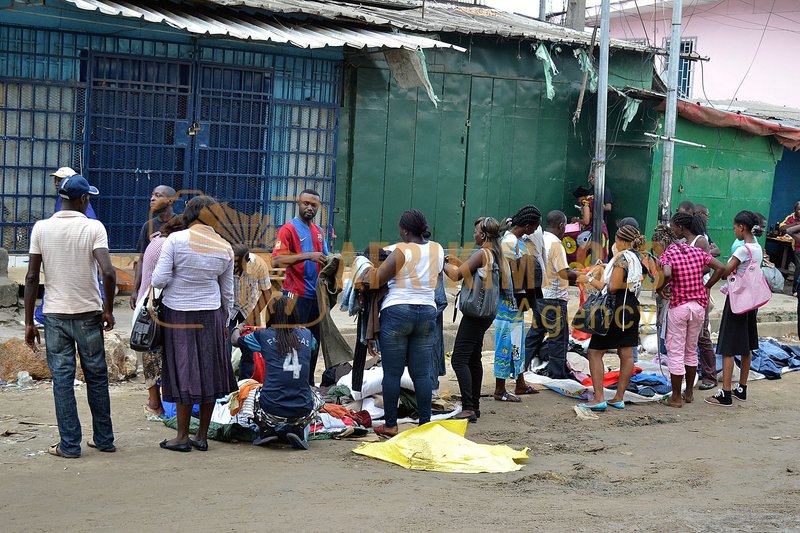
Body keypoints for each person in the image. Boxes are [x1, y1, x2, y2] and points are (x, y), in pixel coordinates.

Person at [23, 175, 117, 458]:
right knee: (97, 377)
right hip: (88, 313)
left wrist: (29, 322)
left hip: (54, 315)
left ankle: (69, 445)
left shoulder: (41, 228)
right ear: (84, 199)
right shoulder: (93, 227)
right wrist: (108, 309)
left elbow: (31, 277)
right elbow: (109, 272)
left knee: (62, 381)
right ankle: (103, 439)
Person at [151, 196, 237, 452]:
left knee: (182, 371)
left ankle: (181, 437)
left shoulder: (175, 240)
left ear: (189, 214)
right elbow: (228, 292)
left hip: (178, 314)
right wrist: (226, 319)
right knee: (209, 371)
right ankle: (201, 436)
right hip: (212, 314)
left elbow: (158, 279)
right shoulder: (224, 246)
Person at [369, 209, 443, 437]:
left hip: (397, 312)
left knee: (392, 373)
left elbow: (377, 279)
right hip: (427, 313)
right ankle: (425, 424)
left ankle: (391, 425)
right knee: (421, 374)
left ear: (404, 230)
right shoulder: (438, 249)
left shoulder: (400, 250)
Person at [231, 296, 321, 450]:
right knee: (316, 394)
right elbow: (312, 351)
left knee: (246, 389)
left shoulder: (263, 336)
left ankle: (266, 429)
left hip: (272, 408)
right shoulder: (307, 335)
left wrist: (238, 328)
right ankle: (298, 428)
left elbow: (235, 341)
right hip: (303, 408)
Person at [657, 213, 725, 407]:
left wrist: (661, 288)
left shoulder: (670, 252)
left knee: (676, 352)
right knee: (690, 351)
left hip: (679, 306)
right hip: (698, 307)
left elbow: (667, 272)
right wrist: (707, 286)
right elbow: (720, 267)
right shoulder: (696, 251)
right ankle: (688, 394)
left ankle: (676, 397)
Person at [444, 217, 508, 423]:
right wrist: (458, 263)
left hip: (475, 314)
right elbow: (476, 274)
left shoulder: (482, 253)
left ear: (483, 235)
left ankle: (468, 407)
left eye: (476, 232)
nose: (474, 235)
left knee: (459, 359)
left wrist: (439, 263)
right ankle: (475, 405)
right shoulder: (495, 254)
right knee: (473, 358)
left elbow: (456, 277)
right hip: (487, 313)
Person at [577, 224, 645, 411]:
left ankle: (599, 398)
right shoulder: (639, 258)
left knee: (595, 352)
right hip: (631, 306)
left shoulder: (622, 259)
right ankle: (618, 397)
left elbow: (612, 288)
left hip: (615, 309)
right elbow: (632, 281)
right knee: (626, 353)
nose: (614, 243)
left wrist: (589, 279)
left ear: (623, 241)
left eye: (616, 240)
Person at [704, 211, 765, 406]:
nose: (734, 231)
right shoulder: (757, 248)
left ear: (741, 227)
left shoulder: (742, 250)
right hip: (752, 301)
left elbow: (725, 272)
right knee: (746, 345)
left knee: (728, 346)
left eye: (734, 227)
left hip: (737, 301)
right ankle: (742, 388)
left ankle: (726, 393)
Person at [133, 215, 187, 419]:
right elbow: (162, 279)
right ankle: (156, 403)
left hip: (146, 305)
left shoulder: (156, 240)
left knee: (152, 356)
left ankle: (155, 402)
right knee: (155, 357)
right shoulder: (166, 245)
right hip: (154, 307)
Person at [272, 189, 328, 385]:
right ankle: (290, 384)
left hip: (316, 298)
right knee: (293, 343)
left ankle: (309, 384)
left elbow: (326, 260)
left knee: (314, 344)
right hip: (296, 296)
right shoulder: (288, 229)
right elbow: (277, 260)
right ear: (298, 203)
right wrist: (308, 255)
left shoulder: (319, 231)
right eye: (306, 203)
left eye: (314, 205)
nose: (309, 208)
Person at [526, 211, 588, 379]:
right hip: (554, 298)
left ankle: (519, 368)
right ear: (561, 225)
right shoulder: (556, 245)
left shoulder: (539, 240)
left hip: (539, 295)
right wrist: (585, 276)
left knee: (535, 334)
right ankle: (557, 374)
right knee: (558, 339)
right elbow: (564, 273)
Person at [34, 167, 98, 326]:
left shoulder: (76, 203)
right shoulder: (64, 200)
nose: (56, 182)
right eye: (55, 179)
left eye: (59, 179)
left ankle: (41, 317)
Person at [498, 205, 541, 401]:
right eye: (535, 226)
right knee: (506, 343)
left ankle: (520, 384)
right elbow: (507, 275)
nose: (535, 230)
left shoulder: (518, 240)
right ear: (527, 225)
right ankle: (500, 389)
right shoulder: (509, 242)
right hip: (508, 302)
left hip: (518, 299)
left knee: (518, 341)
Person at [130, 185, 177, 310]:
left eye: (158, 195)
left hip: (172, 289)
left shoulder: (180, 224)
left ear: (170, 200)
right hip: (150, 290)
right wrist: (136, 290)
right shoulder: (148, 226)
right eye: (152, 195)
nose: (152, 199)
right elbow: (142, 260)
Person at [231, 245, 272, 380]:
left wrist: (249, 320)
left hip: (250, 309)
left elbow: (267, 292)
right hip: (229, 308)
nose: (235, 272)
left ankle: (246, 384)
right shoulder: (225, 261)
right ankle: (227, 386)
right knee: (223, 349)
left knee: (250, 351)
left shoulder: (258, 265)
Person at [573, 186, 609, 263]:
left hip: (595, 231)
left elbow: (586, 221)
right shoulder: (593, 199)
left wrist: (577, 220)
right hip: (602, 229)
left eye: (578, 198)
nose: (578, 201)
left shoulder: (585, 202)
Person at [779, 201, 800, 296]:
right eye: (799, 209)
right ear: (795, 210)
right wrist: (796, 224)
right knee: (799, 267)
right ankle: (795, 289)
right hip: (797, 246)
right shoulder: (791, 218)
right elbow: (782, 228)